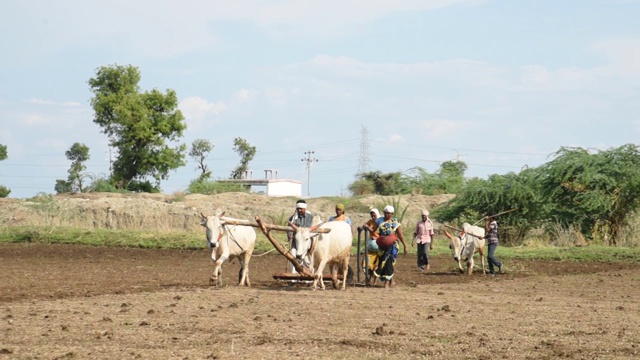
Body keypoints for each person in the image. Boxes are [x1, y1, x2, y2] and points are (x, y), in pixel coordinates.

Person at [373, 205, 408, 288]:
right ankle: (389, 280)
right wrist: (366, 227)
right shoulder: (379, 221)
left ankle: (387, 283)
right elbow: (373, 230)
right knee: (382, 263)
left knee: (388, 262)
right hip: (382, 246)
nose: (386, 215)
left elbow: (400, 235)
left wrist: (405, 245)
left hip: (392, 246)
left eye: (388, 213)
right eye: (385, 213)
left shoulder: (395, 222)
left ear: (392, 214)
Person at [287, 199, 314, 273]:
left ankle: (308, 275)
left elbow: (312, 230)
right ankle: (293, 277)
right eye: (298, 208)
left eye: (301, 209)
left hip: (307, 244)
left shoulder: (311, 218)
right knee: (293, 257)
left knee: (307, 261)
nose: (299, 210)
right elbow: (289, 229)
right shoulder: (292, 218)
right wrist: (290, 235)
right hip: (296, 243)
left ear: (305, 208)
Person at [362, 208, 380, 285]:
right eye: (372, 215)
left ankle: (375, 281)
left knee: (377, 264)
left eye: (374, 215)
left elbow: (384, 234)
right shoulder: (370, 222)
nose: (373, 217)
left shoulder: (381, 222)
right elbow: (365, 226)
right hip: (371, 247)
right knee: (367, 263)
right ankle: (368, 278)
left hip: (379, 246)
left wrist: (377, 238)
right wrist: (363, 227)